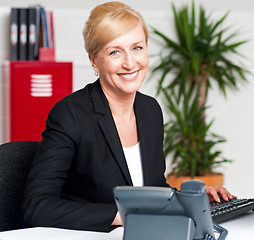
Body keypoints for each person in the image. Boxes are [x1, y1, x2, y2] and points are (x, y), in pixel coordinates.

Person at [22, 2, 235, 232]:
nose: (130, 63)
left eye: (137, 48)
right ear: (94, 61)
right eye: (115, 52)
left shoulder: (150, 109)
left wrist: (190, 201)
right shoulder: (71, 114)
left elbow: (151, 188)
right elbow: (37, 206)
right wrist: (121, 215)